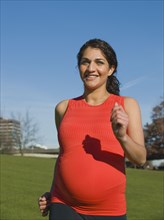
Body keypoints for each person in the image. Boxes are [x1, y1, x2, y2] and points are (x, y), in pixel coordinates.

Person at [38, 38, 146, 220]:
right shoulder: (63, 108)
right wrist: (51, 192)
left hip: (109, 210)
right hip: (64, 205)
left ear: (111, 69)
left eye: (99, 62)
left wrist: (122, 137)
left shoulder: (126, 105)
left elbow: (140, 158)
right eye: (85, 62)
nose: (90, 68)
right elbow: (63, 156)